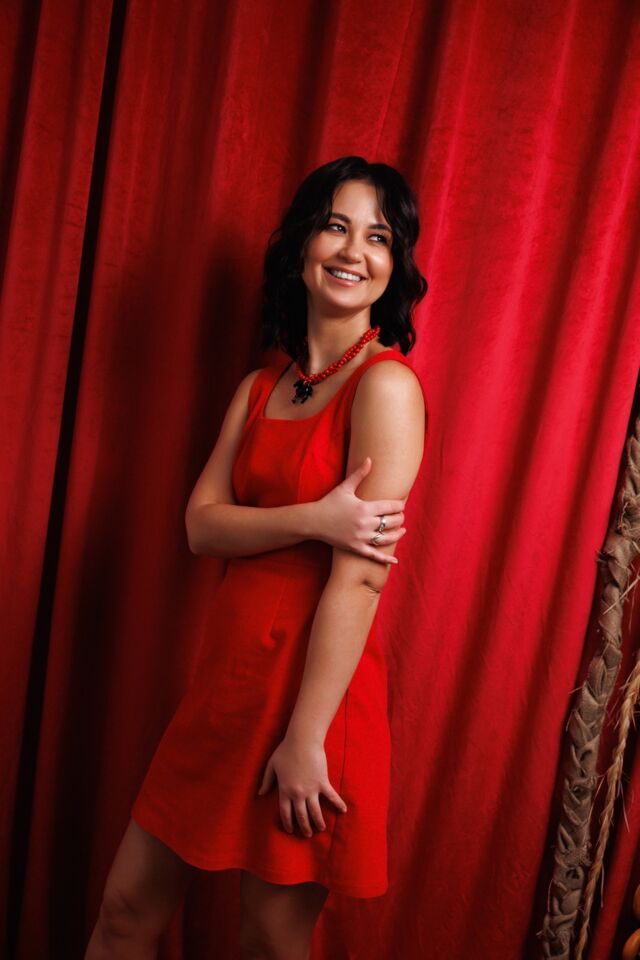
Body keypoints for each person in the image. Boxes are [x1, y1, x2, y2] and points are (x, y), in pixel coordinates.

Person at [85, 155, 429, 959]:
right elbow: (201, 528)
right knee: (125, 912)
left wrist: (306, 737)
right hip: (226, 688)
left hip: (314, 700)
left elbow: (361, 577)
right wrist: (316, 517)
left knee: (270, 942)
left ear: (395, 264)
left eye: (379, 236)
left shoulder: (386, 387)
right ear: (304, 243)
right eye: (336, 226)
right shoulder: (259, 387)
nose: (354, 250)